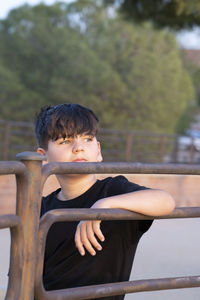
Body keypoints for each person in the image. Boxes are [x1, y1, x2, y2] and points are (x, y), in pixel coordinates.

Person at [35, 103, 175, 300]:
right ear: (43, 157)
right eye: (65, 141)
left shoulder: (114, 191)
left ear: (98, 150)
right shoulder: (39, 207)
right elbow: (23, 276)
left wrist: (102, 207)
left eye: (87, 138)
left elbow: (165, 201)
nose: (79, 148)